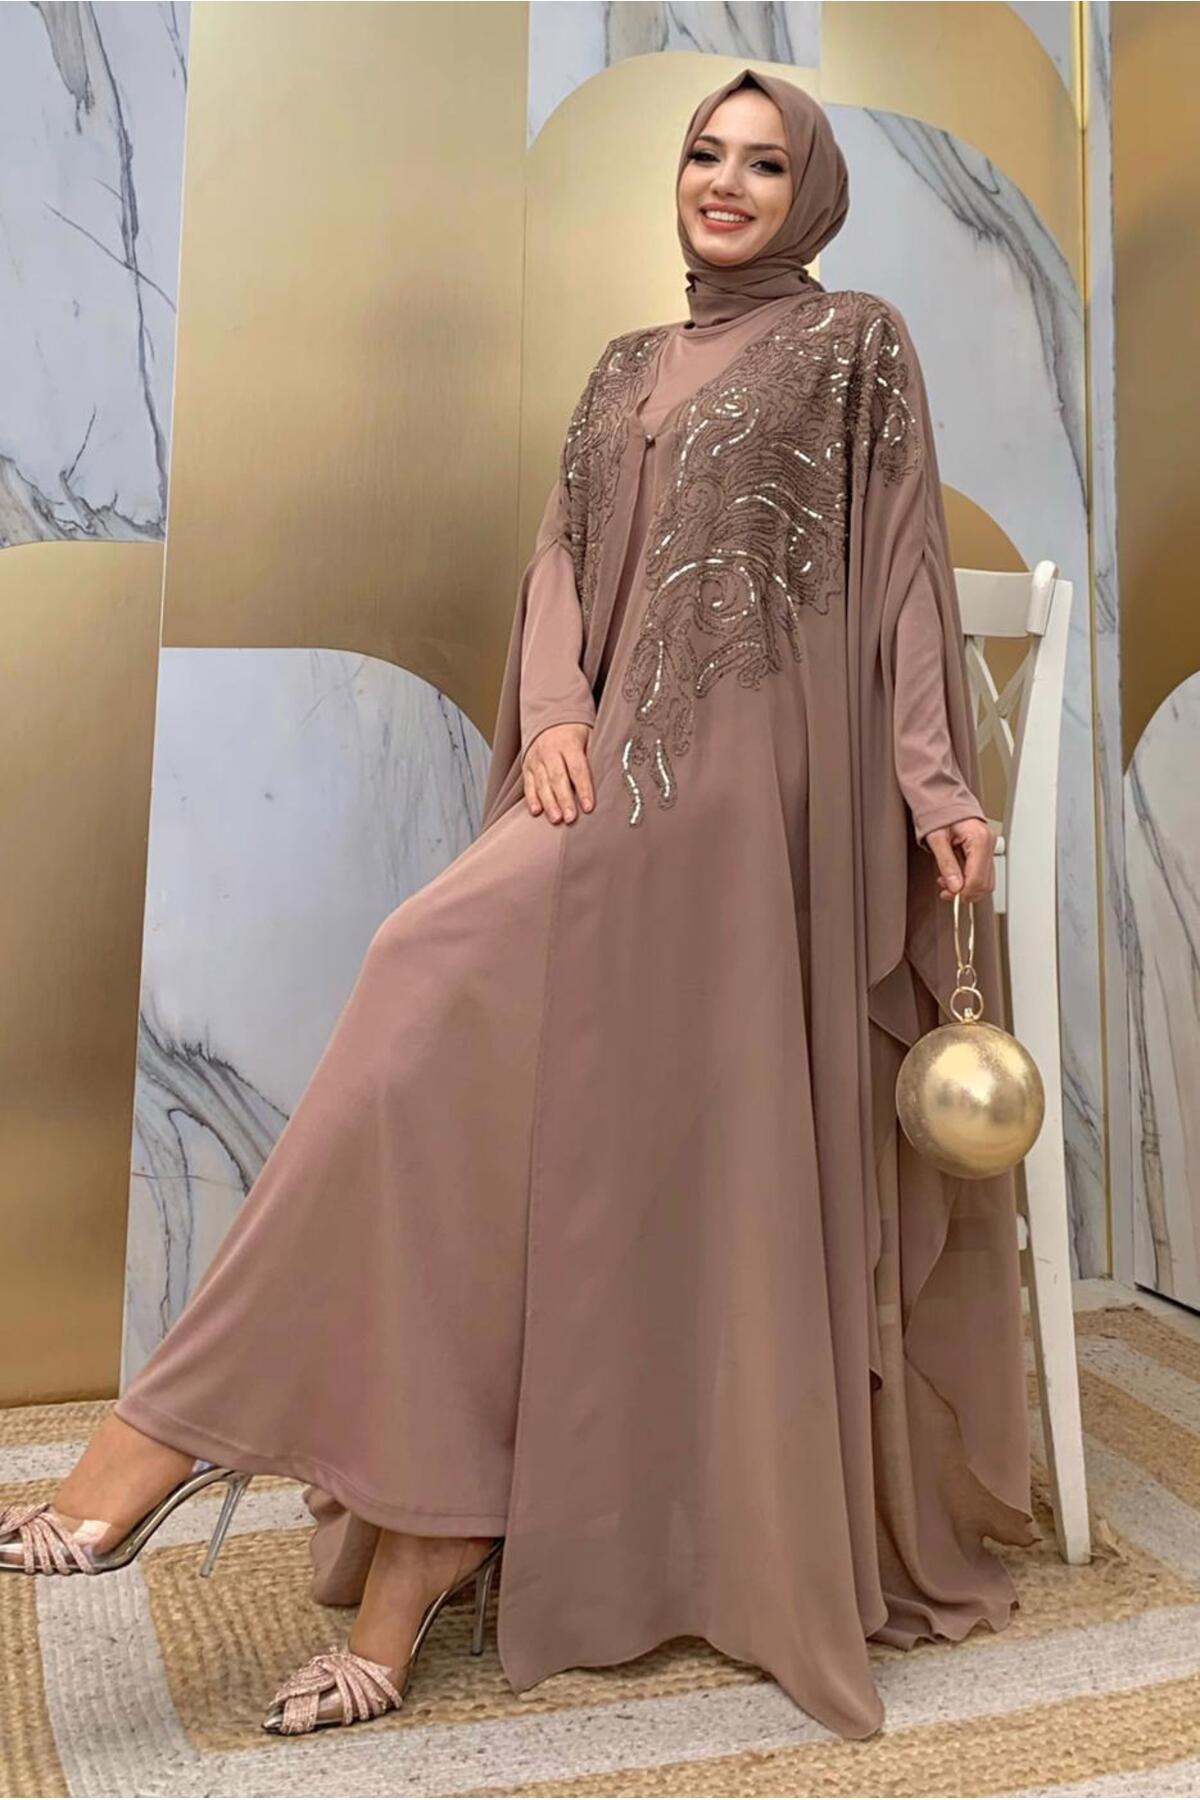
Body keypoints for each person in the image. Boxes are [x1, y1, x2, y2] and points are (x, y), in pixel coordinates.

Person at [0, 67, 1040, 1742]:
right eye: (704, 153)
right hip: (607, 770)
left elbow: (904, 571)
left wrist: (938, 786)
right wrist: (553, 712)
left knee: (439, 1001)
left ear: (813, 195)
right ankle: (403, 1544)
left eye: (765, 163)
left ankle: (162, 1446)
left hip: (752, 810)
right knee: (471, 1104)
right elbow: (562, 557)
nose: (726, 181)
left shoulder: (857, 343)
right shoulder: (622, 366)